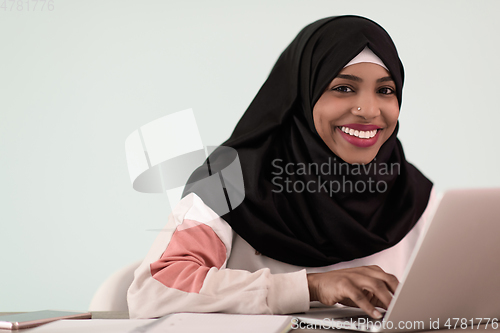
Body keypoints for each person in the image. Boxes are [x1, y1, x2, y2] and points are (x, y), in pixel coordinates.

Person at [127, 15, 434, 320]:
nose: (368, 110)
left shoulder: (414, 196)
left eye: (385, 90)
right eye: (343, 88)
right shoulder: (228, 183)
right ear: (303, 94)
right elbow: (154, 290)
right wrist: (307, 287)